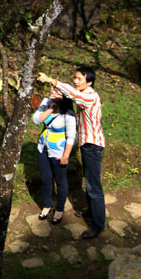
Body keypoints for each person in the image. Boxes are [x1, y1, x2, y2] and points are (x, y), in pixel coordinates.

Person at [37, 66, 105, 239]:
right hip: (87, 145)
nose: (75, 81)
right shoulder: (86, 95)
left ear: (89, 82)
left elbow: (74, 96)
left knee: (93, 186)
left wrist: (52, 81)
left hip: (93, 145)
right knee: (90, 181)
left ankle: (97, 225)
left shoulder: (89, 97)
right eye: (74, 78)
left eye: (79, 79)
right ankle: (91, 212)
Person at [32, 87, 76, 224]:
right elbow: (36, 120)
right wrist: (50, 109)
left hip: (59, 152)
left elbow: (71, 137)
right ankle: (46, 205)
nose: (52, 94)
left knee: (60, 180)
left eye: (56, 93)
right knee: (45, 178)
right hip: (43, 148)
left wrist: (66, 156)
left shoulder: (68, 114)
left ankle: (59, 208)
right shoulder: (46, 103)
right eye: (51, 92)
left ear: (64, 97)